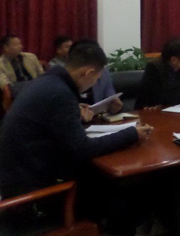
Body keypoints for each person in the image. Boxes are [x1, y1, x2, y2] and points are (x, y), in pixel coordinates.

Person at [0, 41, 152, 199]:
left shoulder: (49, 80)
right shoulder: (60, 93)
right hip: (34, 190)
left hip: (18, 174)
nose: (94, 83)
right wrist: (132, 134)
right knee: (122, 187)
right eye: (96, 79)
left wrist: (75, 113)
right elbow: (83, 148)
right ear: (88, 73)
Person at [70, 40, 123, 121]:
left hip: (97, 123)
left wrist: (115, 107)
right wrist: (75, 113)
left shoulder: (103, 73)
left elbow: (110, 97)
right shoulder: (61, 83)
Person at [136, 38, 180, 108]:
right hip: (148, 111)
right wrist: (179, 92)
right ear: (174, 60)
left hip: (175, 109)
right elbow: (155, 98)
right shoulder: (154, 68)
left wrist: (176, 94)